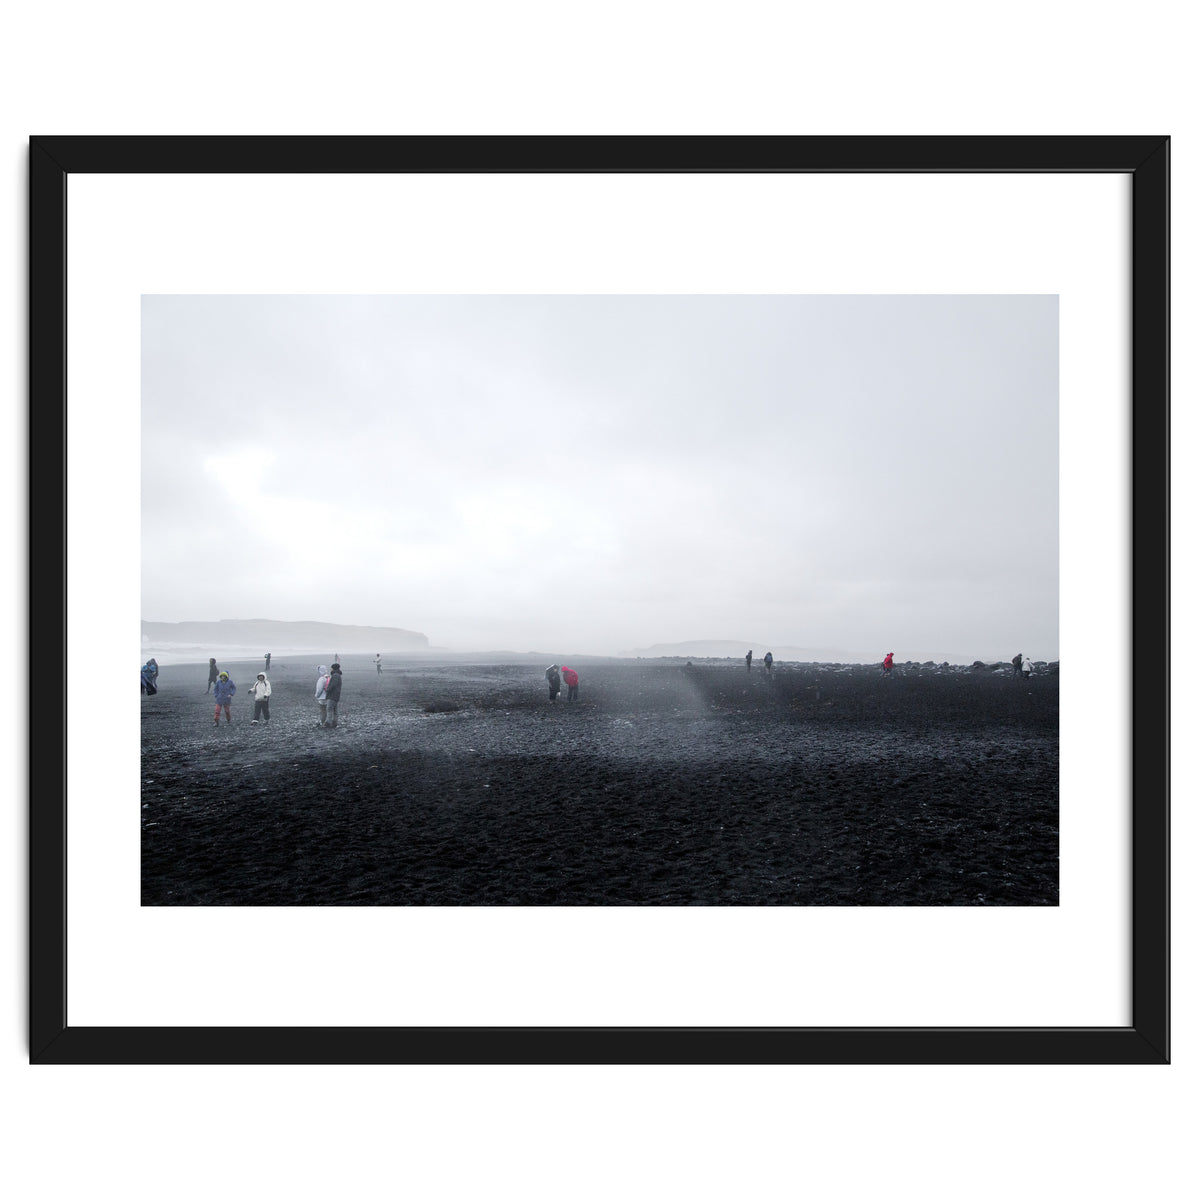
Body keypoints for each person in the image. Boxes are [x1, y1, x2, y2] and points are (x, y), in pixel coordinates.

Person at [325, 661, 343, 727]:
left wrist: (327, 689)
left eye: (331, 668)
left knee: (329, 709)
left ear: (333, 668)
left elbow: (332, 685)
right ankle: (334, 722)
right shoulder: (338, 675)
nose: (330, 669)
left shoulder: (335, 675)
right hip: (336, 695)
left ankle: (328, 723)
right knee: (335, 709)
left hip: (332, 695)